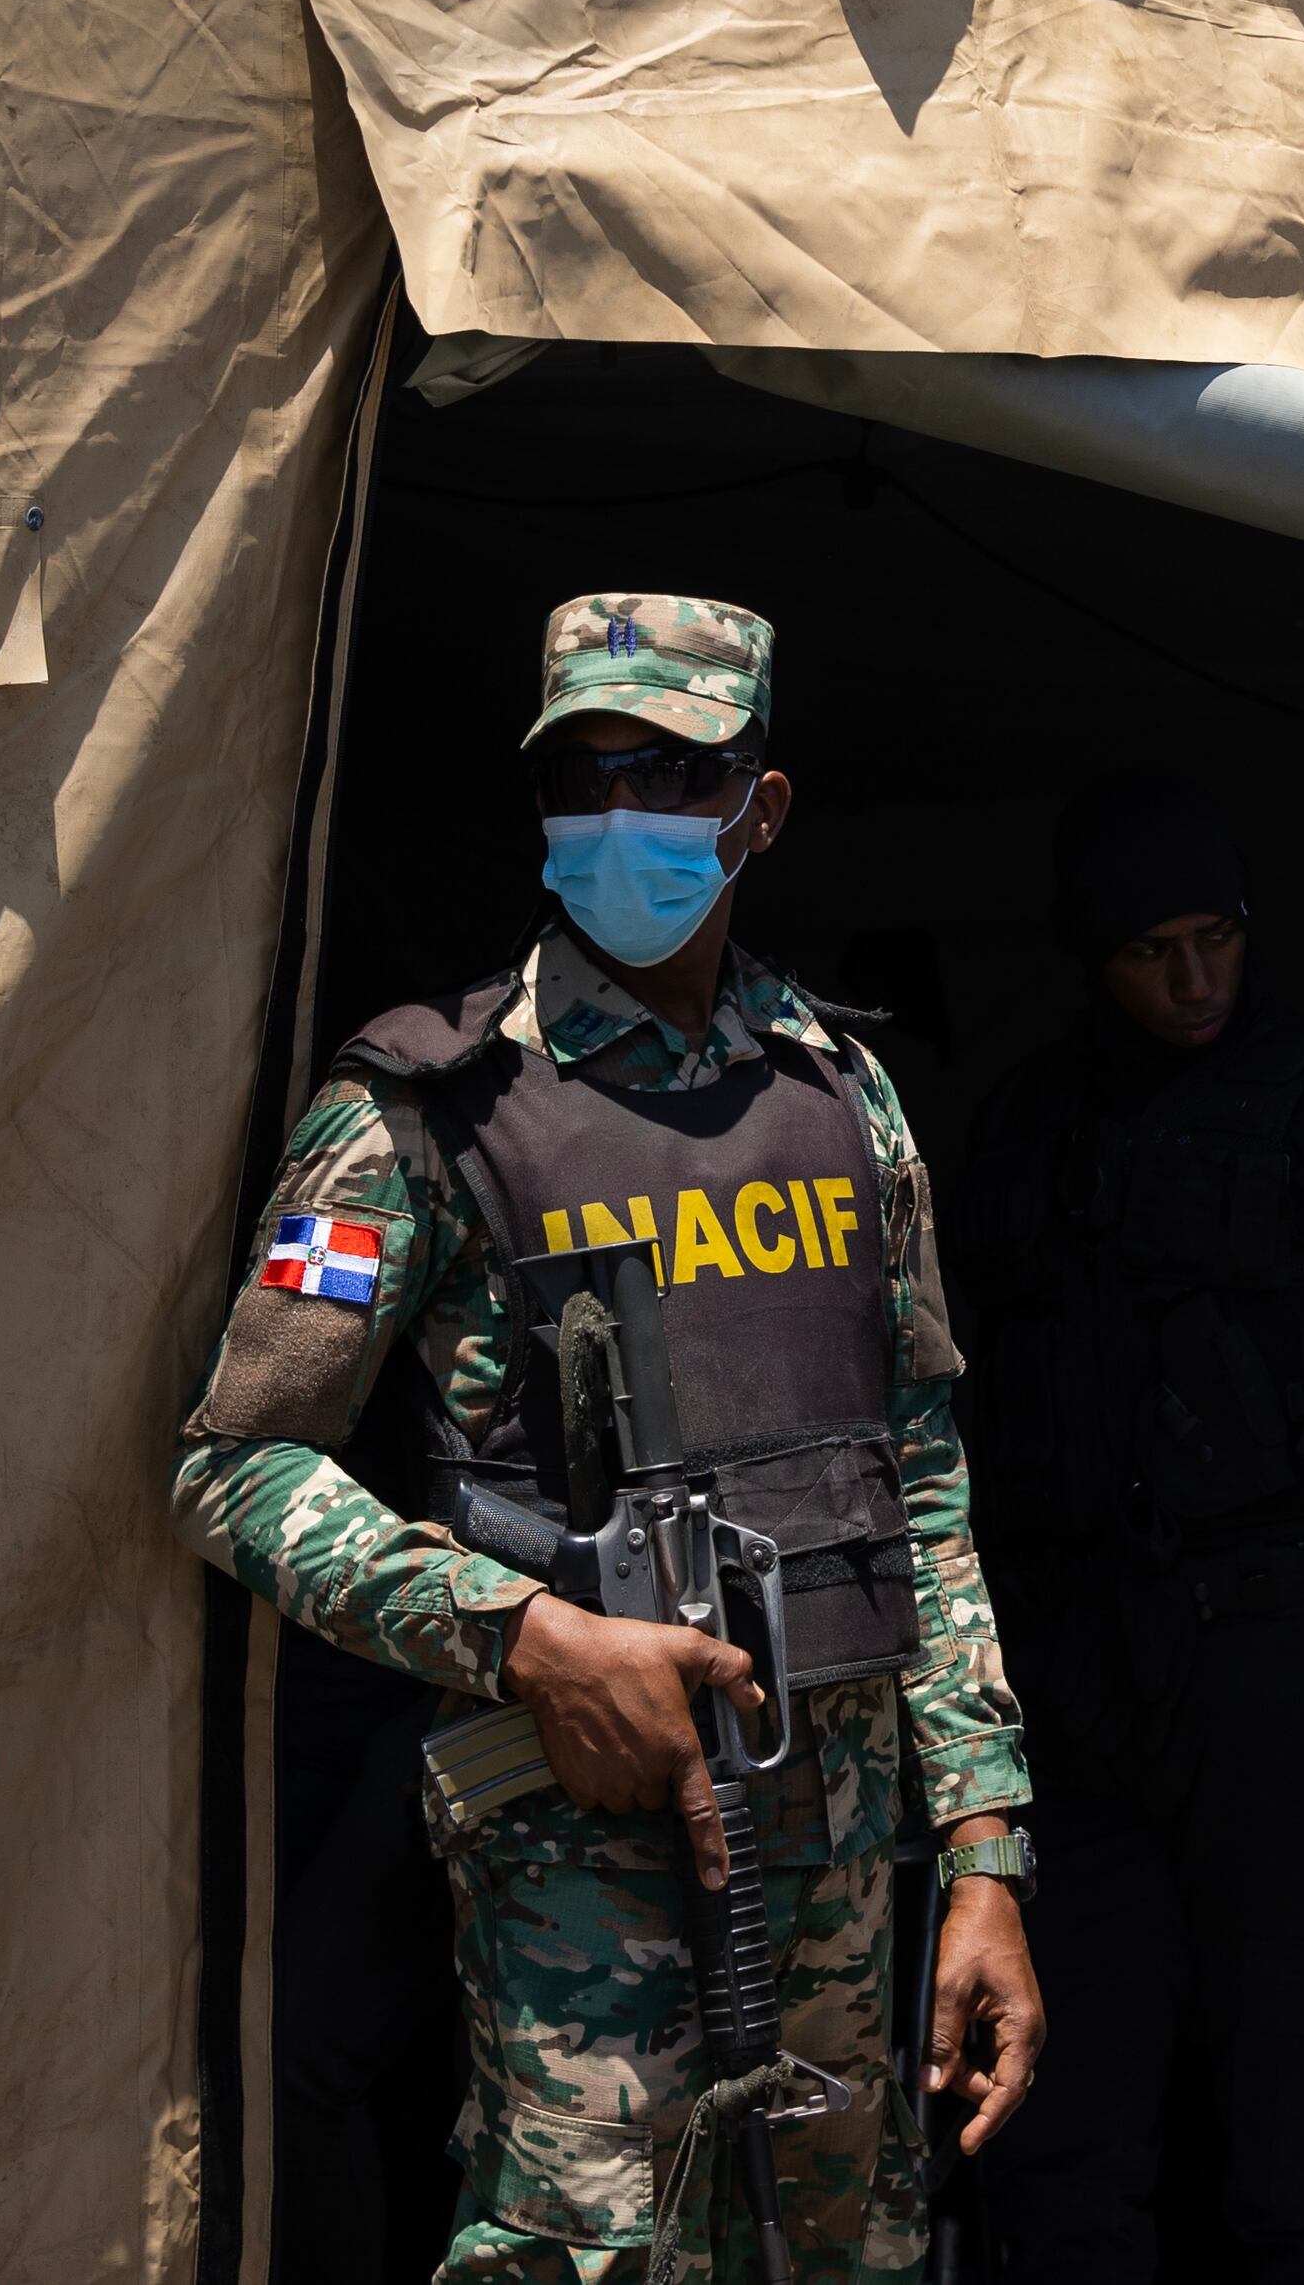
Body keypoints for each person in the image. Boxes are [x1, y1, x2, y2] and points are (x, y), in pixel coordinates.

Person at [174, 594, 1047, 2281]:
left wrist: (987, 1850)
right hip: (582, 1868)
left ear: (759, 808)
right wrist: (524, 1638)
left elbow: (923, 1486)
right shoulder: (428, 1109)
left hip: (845, 1867)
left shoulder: (847, 1098)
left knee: (851, 2253)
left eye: (672, 770)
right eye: (587, 774)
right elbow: (236, 1465)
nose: (623, 811)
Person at [939, 776, 1304, 2282]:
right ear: (1093, 955)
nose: (1197, 980)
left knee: (1298, 2143)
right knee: (1058, 2132)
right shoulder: (1028, 1130)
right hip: (1082, 1690)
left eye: (1220, 939)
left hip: (1286, 1691)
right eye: (1155, 951)